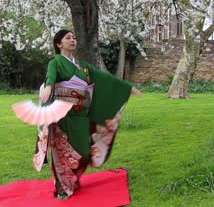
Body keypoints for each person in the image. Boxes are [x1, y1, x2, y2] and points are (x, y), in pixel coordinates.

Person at [33, 29, 142, 200]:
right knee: (63, 151)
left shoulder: (82, 65)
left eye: (74, 37)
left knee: (83, 151)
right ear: (59, 44)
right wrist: (48, 87)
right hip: (64, 115)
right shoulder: (55, 62)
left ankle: (72, 180)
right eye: (68, 38)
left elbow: (102, 78)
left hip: (82, 115)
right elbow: (50, 77)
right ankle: (63, 187)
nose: (73, 40)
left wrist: (127, 88)